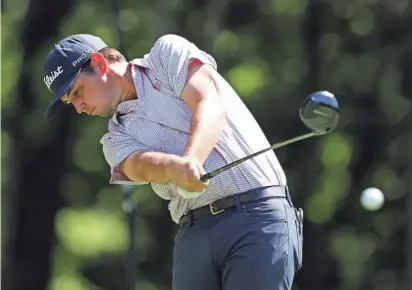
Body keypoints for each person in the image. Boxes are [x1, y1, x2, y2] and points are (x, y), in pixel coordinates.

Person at [42, 33, 303, 290]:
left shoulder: (166, 55)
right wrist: (173, 168)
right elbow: (139, 165)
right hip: (194, 232)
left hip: (257, 215)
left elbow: (209, 102)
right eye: (70, 102)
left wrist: (192, 160)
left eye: (77, 92)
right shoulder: (115, 138)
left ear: (99, 64)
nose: (78, 107)